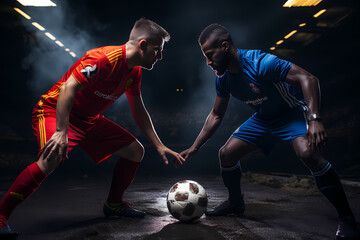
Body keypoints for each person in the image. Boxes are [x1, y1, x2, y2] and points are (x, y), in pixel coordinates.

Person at [0, 18, 185, 238]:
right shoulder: (103, 59)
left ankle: (114, 204)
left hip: (88, 119)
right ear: (143, 45)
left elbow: (139, 110)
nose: (160, 57)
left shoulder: (134, 71)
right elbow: (69, 87)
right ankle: (1, 215)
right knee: (50, 159)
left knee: (135, 151)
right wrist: (61, 131)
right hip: (54, 110)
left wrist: (159, 145)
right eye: (158, 50)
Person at [180, 23, 360, 240]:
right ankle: (236, 204)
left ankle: (347, 218)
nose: (208, 62)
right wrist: (195, 146)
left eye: (210, 55)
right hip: (263, 120)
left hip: (291, 113)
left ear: (225, 46)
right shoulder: (223, 79)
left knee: (308, 153)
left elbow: (308, 79)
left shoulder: (261, 63)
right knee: (226, 154)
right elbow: (216, 115)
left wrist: (314, 119)